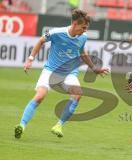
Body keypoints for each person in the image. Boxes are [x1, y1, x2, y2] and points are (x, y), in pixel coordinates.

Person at [14, 9, 109, 139]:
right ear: (75, 24)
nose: (85, 30)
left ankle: (59, 125)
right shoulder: (56, 33)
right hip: (50, 70)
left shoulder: (83, 37)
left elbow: (82, 53)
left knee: (77, 94)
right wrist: (30, 60)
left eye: (86, 28)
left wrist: (94, 69)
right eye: (84, 27)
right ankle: (22, 125)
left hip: (69, 73)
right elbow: (41, 41)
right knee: (40, 96)